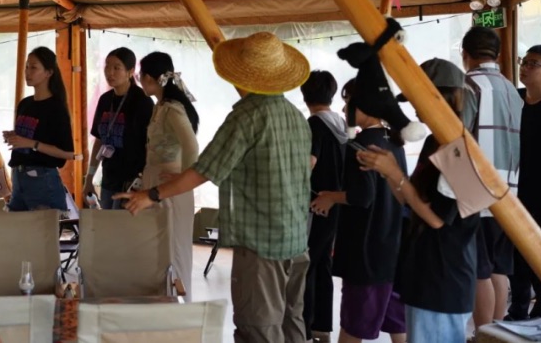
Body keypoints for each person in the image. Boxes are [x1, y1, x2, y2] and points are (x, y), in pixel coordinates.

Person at [117, 31, 312, 343]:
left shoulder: (247, 116)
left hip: (262, 244)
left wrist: (152, 194)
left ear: (241, 76)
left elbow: (205, 168)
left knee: (259, 328)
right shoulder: (295, 116)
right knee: (292, 323)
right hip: (296, 239)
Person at [359, 58, 481, 343]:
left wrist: (395, 174)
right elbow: (411, 199)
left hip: (444, 277)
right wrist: (388, 172)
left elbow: (438, 219)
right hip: (426, 271)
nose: (414, 108)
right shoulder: (434, 142)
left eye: (417, 99)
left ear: (442, 98)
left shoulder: (459, 149)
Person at [314, 78, 407, 343]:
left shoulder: (360, 144)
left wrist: (330, 197)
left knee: (353, 326)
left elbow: (362, 196)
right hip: (392, 248)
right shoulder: (394, 141)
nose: (344, 110)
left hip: (365, 251)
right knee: (397, 324)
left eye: (348, 104)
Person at [460, 27, 522, 330]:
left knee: (478, 270)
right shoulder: (511, 88)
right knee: (499, 268)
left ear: (465, 54)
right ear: (496, 54)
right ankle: (498, 334)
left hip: (477, 188)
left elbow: (456, 135)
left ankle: (483, 334)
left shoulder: (469, 85)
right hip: (510, 191)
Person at [138, 51, 200, 302]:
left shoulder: (172, 109)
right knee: (158, 248)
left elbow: (192, 146)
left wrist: (183, 175)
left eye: (141, 75)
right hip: (157, 181)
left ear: (150, 78)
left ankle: (177, 305)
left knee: (174, 248)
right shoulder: (161, 106)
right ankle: (161, 304)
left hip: (170, 186)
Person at [299, 70, 347, 343]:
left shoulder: (314, 124)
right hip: (338, 204)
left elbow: (310, 162)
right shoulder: (341, 123)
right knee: (323, 263)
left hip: (318, 204)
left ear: (305, 95)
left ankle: (305, 328)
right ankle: (322, 326)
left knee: (307, 264)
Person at [507, 44, 541, 321]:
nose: (524, 67)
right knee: (514, 254)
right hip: (511, 189)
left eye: (533, 64)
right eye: (523, 62)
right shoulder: (513, 99)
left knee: (540, 252)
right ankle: (517, 311)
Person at [3, 46, 76, 211]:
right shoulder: (25, 104)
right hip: (19, 177)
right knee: (16, 225)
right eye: (27, 67)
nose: (27, 72)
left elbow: (68, 153)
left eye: (34, 68)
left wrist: (31, 144)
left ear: (48, 73)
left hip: (42, 179)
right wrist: (15, 136)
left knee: (44, 227)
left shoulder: (56, 108)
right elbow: (35, 135)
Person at [83, 47, 154, 209]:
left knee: (122, 223)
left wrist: (145, 181)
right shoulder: (105, 100)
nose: (110, 72)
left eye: (116, 68)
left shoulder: (142, 101)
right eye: (107, 66)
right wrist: (89, 178)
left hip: (133, 182)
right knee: (107, 221)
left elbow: (150, 145)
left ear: (131, 71)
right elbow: (99, 140)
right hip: (109, 179)